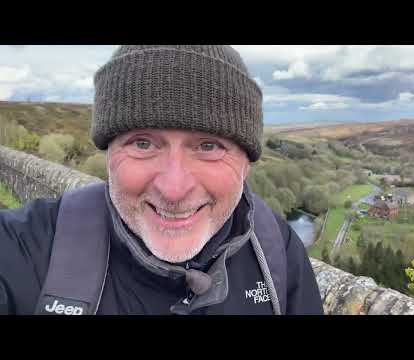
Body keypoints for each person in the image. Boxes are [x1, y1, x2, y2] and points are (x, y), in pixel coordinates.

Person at [0, 45, 323, 315]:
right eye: (143, 143)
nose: (174, 188)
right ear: (109, 155)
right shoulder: (21, 245)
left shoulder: (276, 250)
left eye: (208, 146)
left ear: (246, 164)